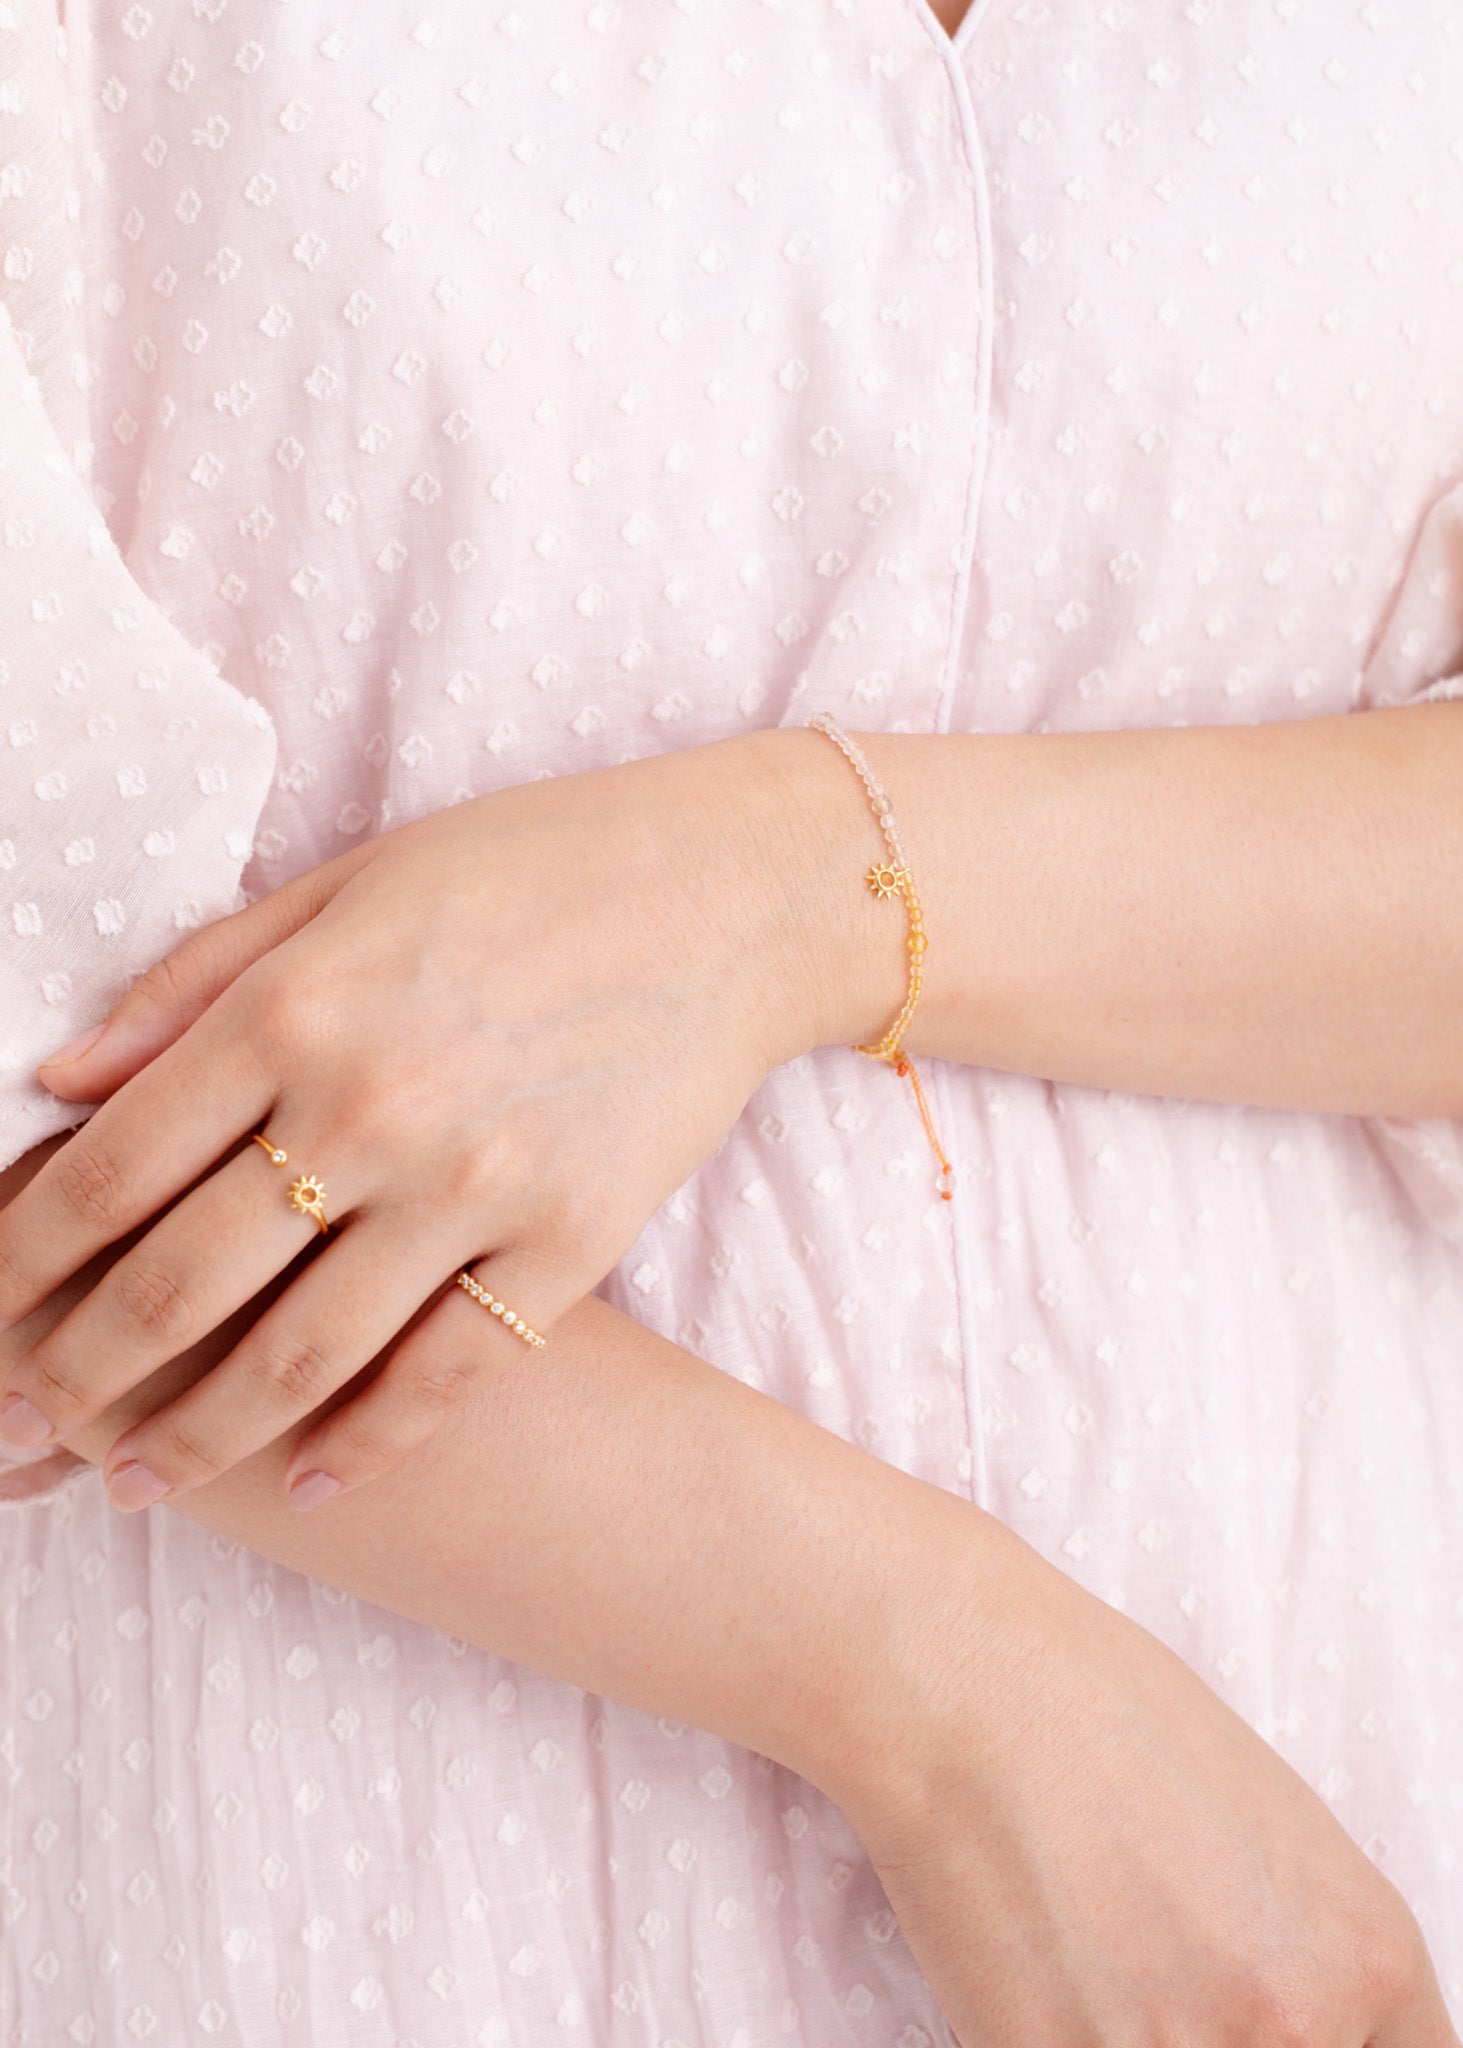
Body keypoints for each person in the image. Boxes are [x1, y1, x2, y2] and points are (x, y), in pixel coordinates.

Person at [1, 0, 1461, 2039]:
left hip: (1324, 1782)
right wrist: (958, 1698)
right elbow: (42, 1082)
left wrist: (777, 890)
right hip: (386, 1872)